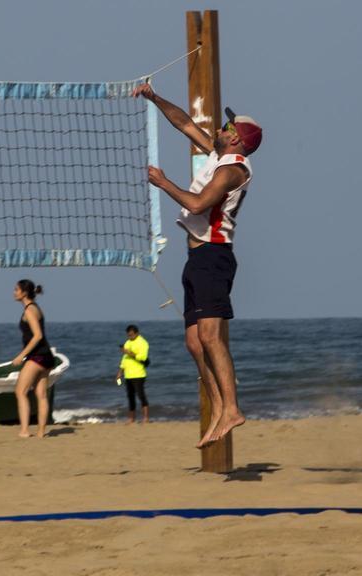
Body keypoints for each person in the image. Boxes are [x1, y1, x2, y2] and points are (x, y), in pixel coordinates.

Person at [134, 83, 262, 448]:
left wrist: (163, 182)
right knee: (194, 342)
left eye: (227, 127)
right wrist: (154, 97)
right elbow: (186, 124)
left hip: (214, 257)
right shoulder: (219, 156)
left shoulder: (233, 170)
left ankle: (232, 408)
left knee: (209, 336)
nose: (220, 128)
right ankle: (220, 405)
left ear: (236, 139)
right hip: (197, 258)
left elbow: (197, 203)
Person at [11, 279, 56, 438]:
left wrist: (21, 356)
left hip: (37, 356)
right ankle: (41, 432)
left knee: (20, 391)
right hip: (46, 357)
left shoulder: (29, 310)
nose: (14, 292)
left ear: (24, 293)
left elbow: (37, 336)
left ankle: (24, 430)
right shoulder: (35, 307)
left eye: (16, 290)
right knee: (41, 394)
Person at [116, 324, 151, 424]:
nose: (130, 337)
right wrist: (120, 372)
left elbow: (143, 357)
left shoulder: (143, 343)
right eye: (128, 335)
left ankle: (146, 417)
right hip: (128, 374)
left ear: (137, 333)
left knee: (141, 395)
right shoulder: (127, 342)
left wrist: (129, 353)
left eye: (131, 335)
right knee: (130, 396)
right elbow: (124, 359)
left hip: (139, 374)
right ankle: (131, 418)